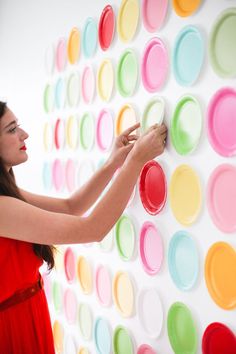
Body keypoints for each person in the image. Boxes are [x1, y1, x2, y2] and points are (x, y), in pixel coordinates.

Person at [0, 101, 167, 353]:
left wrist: (113, 163)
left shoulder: (8, 194)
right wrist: (136, 160)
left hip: (28, 316)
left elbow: (71, 206)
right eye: (11, 129)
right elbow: (92, 228)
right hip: (14, 328)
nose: (24, 135)